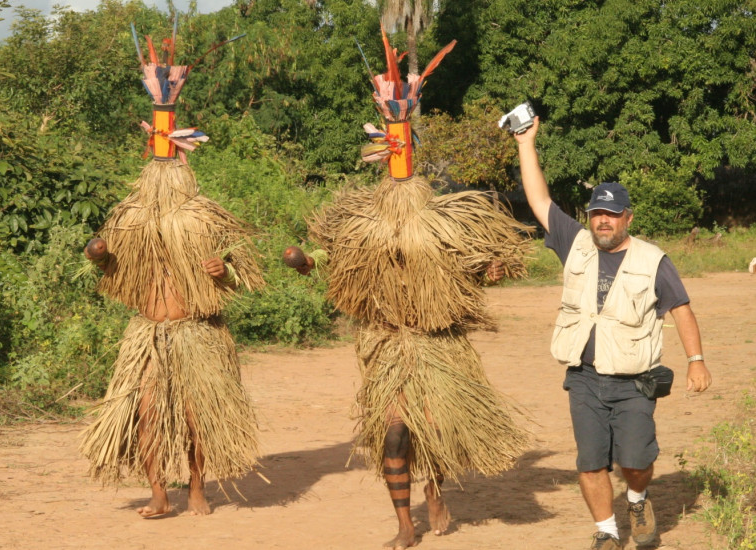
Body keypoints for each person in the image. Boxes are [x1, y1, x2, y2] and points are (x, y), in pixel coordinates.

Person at [286, 26, 531, 550]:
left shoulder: (444, 218)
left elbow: (485, 259)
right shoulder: (362, 221)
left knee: (433, 429)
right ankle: (404, 523)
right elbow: (331, 259)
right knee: (394, 434)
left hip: (436, 344)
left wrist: (489, 270)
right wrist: (307, 262)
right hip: (387, 346)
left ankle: (435, 489)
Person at [78, 31, 264, 519]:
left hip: (197, 332)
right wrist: (99, 256)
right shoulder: (130, 215)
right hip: (148, 333)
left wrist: (224, 269)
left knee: (197, 417)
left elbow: (245, 269)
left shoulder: (204, 214)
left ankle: (198, 487)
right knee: (146, 413)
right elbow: (112, 266)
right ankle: (159, 492)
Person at [513, 116, 712, 549]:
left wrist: (696, 361)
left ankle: (637, 499)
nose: (603, 221)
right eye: (596, 214)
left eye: (611, 215)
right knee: (590, 462)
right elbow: (539, 200)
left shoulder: (653, 260)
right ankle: (606, 530)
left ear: (627, 218)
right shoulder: (575, 243)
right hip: (584, 377)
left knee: (635, 460)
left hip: (634, 381)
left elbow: (681, 309)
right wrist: (526, 143)